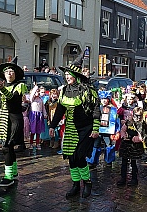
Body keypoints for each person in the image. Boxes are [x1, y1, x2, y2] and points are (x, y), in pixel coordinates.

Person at [49, 53, 100, 198]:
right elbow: (60, 109)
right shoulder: (64, 90)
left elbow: (96, 109)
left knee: (79, 156)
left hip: (86, 128)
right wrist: (52, 126)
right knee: (71, 157)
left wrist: (96, 129)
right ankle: (76, 184)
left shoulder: (88, 90)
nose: (67, 76)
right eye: (65, 74)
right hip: (70, 128)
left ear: (76, 75)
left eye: (69, 74)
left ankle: (87, 182)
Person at [0, 56, 26, 187]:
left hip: (15, 119)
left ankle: (8, 176)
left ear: (15, 74)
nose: (9, 74)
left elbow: (14, 100)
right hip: (3, 119)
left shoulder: (20, 85)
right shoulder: (0, 85)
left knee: (7, 147)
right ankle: (14, 173)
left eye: (11, 71)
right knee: (8, 147)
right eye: (7, 72)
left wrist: (3, 90)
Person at [117, 107, 147, 186]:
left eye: (139, 116)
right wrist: (124, 136)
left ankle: (134, 179)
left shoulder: (142, 124)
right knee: (124, 162)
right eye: (136, 115)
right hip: (126, 144)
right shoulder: (129, 122)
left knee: (133, 163)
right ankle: (123, 178)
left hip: (135, 146)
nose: (137, 118)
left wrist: (135, 139)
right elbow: (123, 130)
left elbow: (143, 136)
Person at [29, 84, 47, 150]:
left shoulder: (40, 100)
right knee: (33, 131)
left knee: (38, 131)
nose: (38, 93)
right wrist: (35, 87)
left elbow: (43, 108)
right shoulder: (32, 99)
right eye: (37, 91)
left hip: (39, 116)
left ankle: (37, 143)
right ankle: (31, 143)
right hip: (33, 116)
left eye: (38, 91)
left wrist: (45, 114)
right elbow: (31, 95)